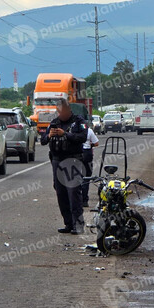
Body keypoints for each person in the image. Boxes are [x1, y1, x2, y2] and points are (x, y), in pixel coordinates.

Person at [40, 98, 88, 235]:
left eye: (63, 111)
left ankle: (78, 225)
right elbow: (42, 141)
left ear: (68, 110)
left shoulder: (78, 121)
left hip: (72, 160)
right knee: (60, 192)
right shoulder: (54, 123)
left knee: (73, 192)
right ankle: (68, 223)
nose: (61, 114)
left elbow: (82, 137)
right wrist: (49, 135)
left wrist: (65, 134)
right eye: (58, 112)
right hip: (57, 160)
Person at [81, 127, 100, 208]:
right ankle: (84, 200)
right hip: (86, 154)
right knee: (86, 177)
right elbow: (96, 143)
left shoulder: (72, 130)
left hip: (75, 155)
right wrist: (90, 144)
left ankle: (74, 199)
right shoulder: (88, 130)